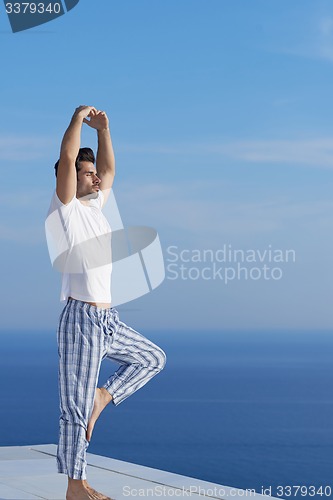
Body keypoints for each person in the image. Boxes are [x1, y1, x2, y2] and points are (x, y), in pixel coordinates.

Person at [45, 105, 166, 500]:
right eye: (86, 173)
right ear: (69, 181)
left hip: (107, 320)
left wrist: (105, 131)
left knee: (152, 359)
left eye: (93, 171)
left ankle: (103, 395)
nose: (95, 176)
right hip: (80, 319)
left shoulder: (96, 206)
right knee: (74, 409)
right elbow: (66, 159)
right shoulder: (66, 212)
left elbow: (110, 170)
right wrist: (78, 120)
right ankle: (74, 486)